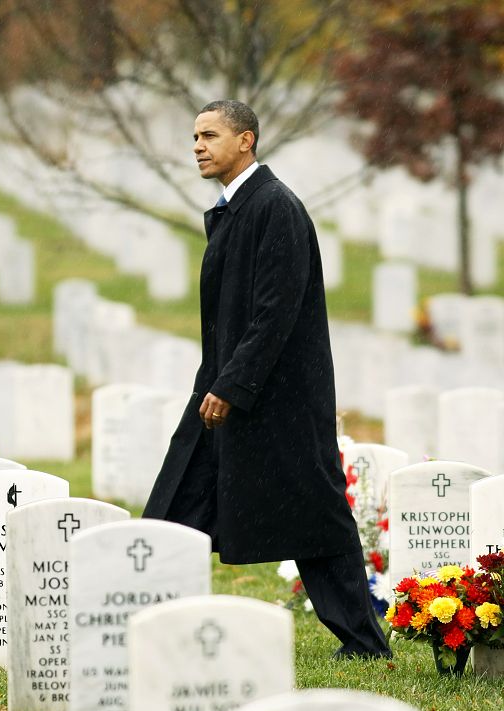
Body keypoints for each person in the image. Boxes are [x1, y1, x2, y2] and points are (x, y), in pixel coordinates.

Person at [143, 100, 391, 659]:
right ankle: (138, 620)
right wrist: (225, 382)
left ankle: (363, 641)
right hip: (229, 387)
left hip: (275, 398)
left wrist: (235, 386)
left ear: (246, 141)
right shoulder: (239, 206)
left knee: (315, 516)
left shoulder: (274, 206)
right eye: (194, 137)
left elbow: (275, 309)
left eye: (209, 135)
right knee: (176, 502)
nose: (197, 146)